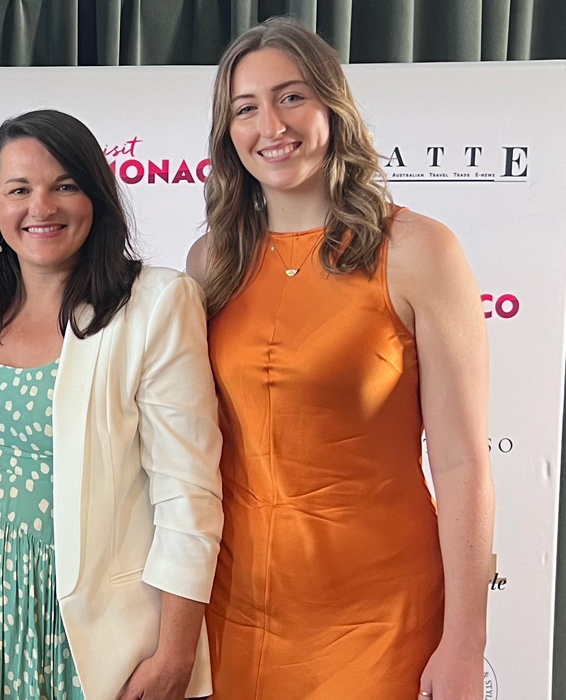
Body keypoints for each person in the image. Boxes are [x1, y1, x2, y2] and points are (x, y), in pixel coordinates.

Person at [187, 17, 494, 700]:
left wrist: (465, 641)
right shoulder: (210, 263)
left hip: (382, 617)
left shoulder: (419, 250)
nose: (271, 125)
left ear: (332, 105)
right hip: (234, 611)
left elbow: (462, 463)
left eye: (291, 97)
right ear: (227, 132)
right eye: (245, 108)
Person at [0, 109, 223, 700]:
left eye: (64, 185)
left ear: (96, 196)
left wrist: (176, 653)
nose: (42, 206)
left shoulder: (156, 303)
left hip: (87, 634)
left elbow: (187, 495)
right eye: (19, 189)